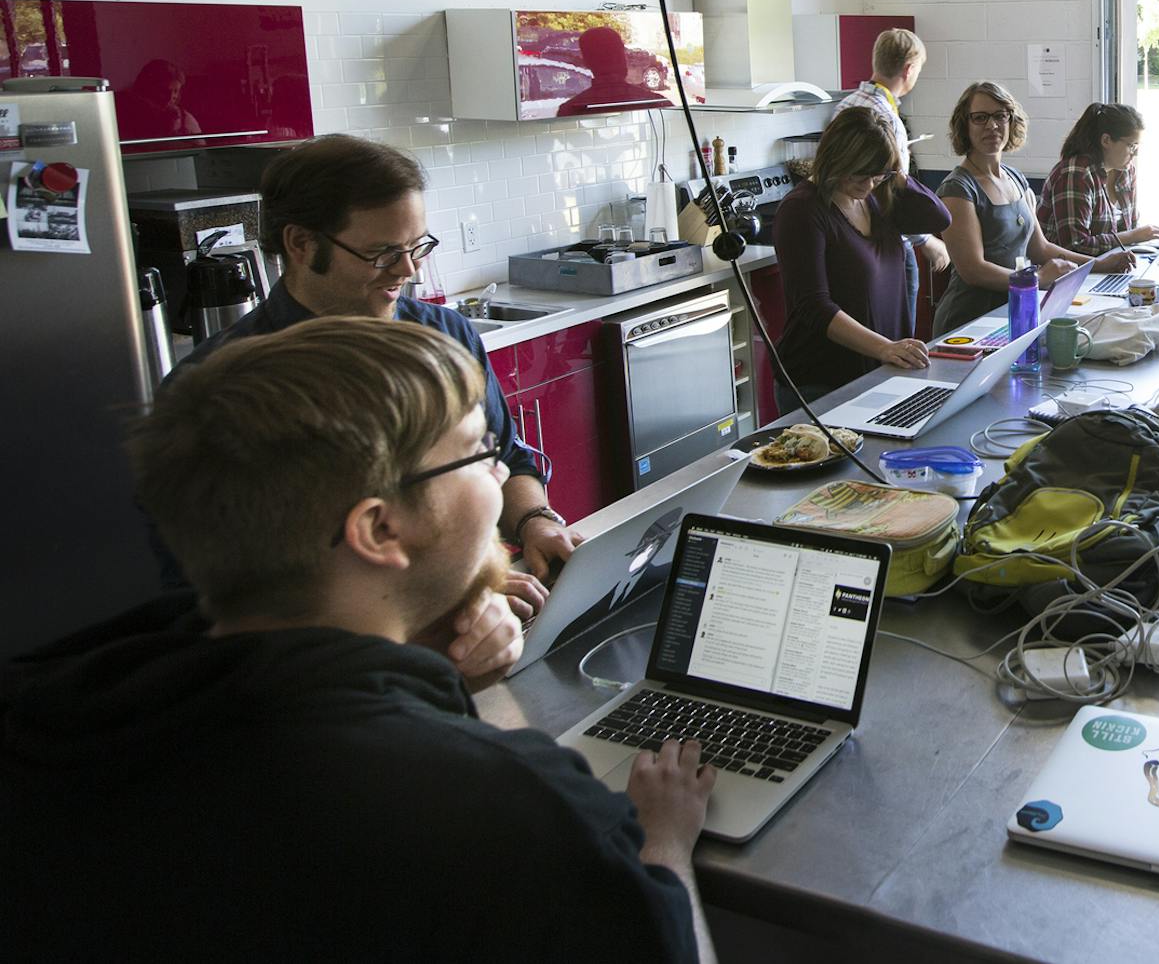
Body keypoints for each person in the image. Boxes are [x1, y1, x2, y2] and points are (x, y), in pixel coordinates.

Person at [1, 319, 718, 962]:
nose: (503, 476)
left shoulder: (56, 722)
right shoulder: (511, 815)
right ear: (378, 530)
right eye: (476, 453)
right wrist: (664, 842)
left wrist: (417, 672)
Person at [176, 134, 582, 592]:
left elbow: (507, 455)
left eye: (417, 247)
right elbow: (230, 584)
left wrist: (536, 522)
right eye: (383, 253)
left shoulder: (447, 335)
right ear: (302, 244)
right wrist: (450, 605)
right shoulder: (224, 388)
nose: (407, 270)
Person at [773, 105, 952, 403]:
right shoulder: (802, 210)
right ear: (837, 160)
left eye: (877, 176)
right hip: (821, 383)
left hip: (878, 374)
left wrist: (894, 172)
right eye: (860, 175)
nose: (868, 185)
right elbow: (814, 306)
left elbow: (939, 218)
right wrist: (885, 348)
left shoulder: (877, 199)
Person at [934, 81, 1134, 337]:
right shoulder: (957, 188)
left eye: (1000, 116)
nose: (992, 126)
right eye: (980, 118)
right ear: (965, 124)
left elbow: (1040, 248)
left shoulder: (1015, 178)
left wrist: (1100, 264)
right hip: (967, 322)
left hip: (1014, 312)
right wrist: (1037, 279)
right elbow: (973, 269)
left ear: (1011, 121)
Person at [832, 28, 951, 323]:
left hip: (846, 237)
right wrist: (926, 241)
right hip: (885, 241)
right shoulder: (887, 120)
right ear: (909, 70)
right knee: (898, 334)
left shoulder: (844, 107)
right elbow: (891, 189)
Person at [1038, 101, 1159, 257]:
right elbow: (1075, 246)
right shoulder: (1075, 174)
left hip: (1108, 267)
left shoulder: (1126, 170)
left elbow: (1129, 228)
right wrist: (1133, 236)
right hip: (1071, 273)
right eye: (1131, 146)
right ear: (1106, 141)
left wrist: (1134, 238)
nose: (1135, 153)